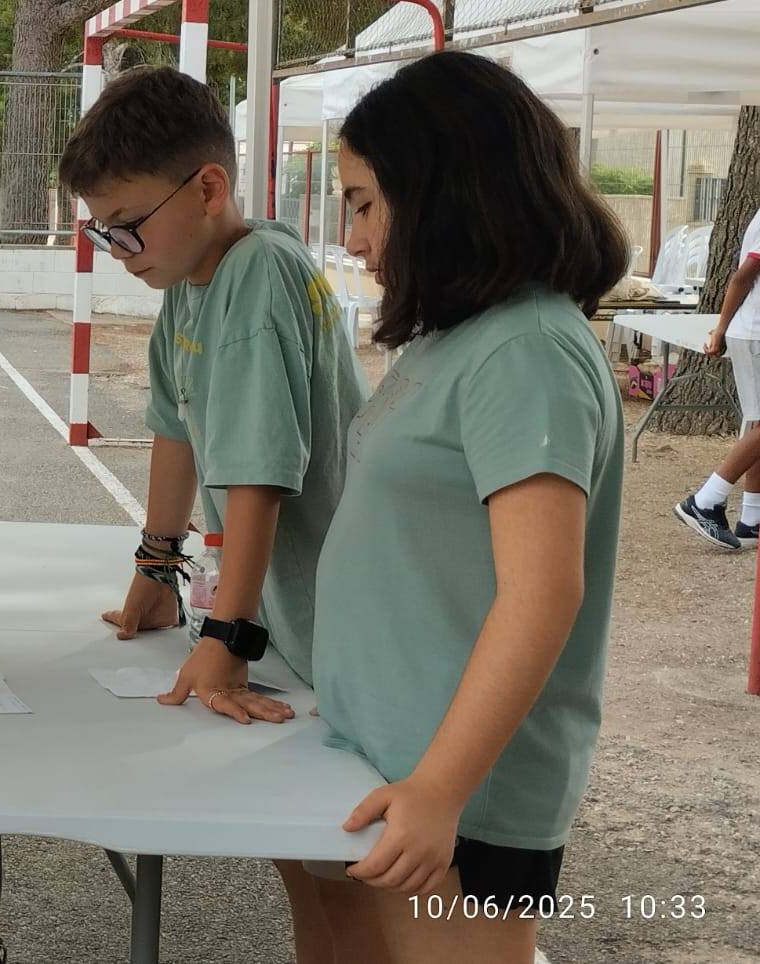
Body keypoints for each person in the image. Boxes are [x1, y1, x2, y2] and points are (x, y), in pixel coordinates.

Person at [57, 66, 376, 964]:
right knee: (306, 864)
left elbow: (259, 477)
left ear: (207, 187)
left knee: (344, 867)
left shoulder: (257, 276)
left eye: (127, 223)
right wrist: (155, 579)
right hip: (291, 622)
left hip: (329, 626)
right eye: (101, 229)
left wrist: (228, 636)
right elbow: (174, 432)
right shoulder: (191, 279)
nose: (117, 247)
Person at [315, 52, 626, 962]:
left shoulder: (525, 350)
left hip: (458, 800)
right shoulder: (462, 337)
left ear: (444, 193)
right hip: (397, 771)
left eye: (366, 203)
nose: (356, 238)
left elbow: (542, 593)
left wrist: (442, 789)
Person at [674, 209, 760, 550]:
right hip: (755, 332)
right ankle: (706, 500)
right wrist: (720, 329)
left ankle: (752, 519)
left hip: (752, 332)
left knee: (758, 427)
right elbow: (743, 276)